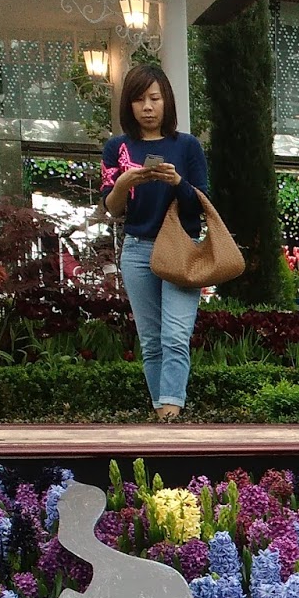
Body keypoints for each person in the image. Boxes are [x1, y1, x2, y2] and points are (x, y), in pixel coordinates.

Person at [102, 65, 208, 421]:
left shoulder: (187, 146)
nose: (147, 107)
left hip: (180, 248)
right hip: (137, 249)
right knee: (151, 340)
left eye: (155, 98)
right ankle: (163, 415)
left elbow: (201, 204)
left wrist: (178, 182)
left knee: (176, 335)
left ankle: (170, 414)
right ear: (128, 105)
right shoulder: (117, 148)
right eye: (138, 99)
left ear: (167, 102)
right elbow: (113, 209)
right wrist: (124, 183)